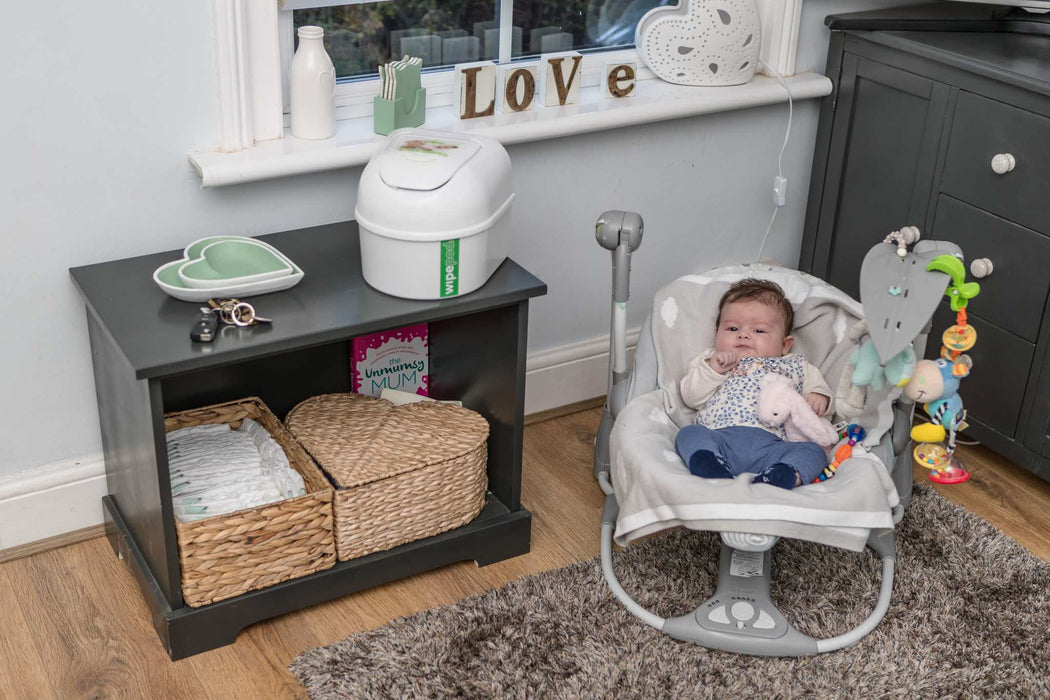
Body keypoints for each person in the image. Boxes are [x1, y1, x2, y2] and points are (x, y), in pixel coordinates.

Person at [674, 278, 833, 489]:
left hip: (774, 445)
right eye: (732, 328)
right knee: (688, 434)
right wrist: (713, 370)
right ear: (716, 333)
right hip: (720, 439)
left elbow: (820, 391)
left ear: (785, 345)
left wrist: (819, 398)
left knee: (814, 452)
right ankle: (711, 468)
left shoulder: (795, 364)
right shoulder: (711, 360)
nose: (743, 335)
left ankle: (780, 475)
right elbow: (691, 397)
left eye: (758, 331)